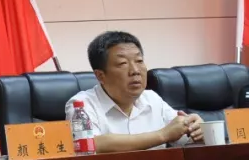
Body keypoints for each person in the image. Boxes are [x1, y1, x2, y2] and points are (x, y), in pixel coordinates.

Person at [65, 31, 204, 153]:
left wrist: (197, 129)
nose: (135, 70)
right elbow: (91, 144)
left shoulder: (152, 99)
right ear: (101, 76)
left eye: (139, 61)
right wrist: (162, 135)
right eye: (123, 64)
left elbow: (183, 137)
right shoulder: (81, 105)